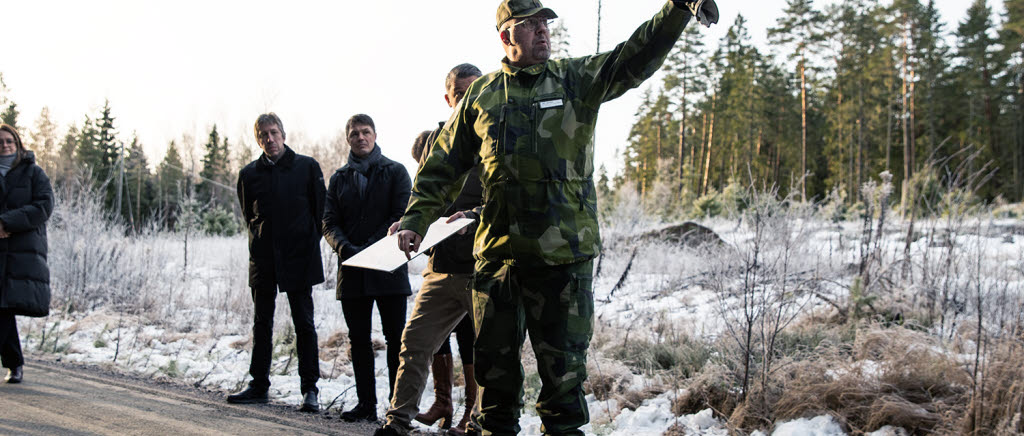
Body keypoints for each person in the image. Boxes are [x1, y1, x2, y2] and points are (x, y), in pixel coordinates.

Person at [395, 0, 718, 433]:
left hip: (564, 262)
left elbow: (633, 57)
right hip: (498, 263)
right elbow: (442, 165)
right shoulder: (482, 94)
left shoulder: (574, 79)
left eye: (545, 23)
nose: (543, 31)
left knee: (563, 395)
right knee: (495, 396)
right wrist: (417, 218)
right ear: (507, 35)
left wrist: (676, 9)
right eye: (530, 25)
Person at [377, 64, 484, 436]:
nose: (469, 99)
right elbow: (425, 193)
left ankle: (477, 424)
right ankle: (397, 422)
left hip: (483, 268)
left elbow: (513, 199)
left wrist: (473, 213)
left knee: (488, 354)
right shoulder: (437, 141)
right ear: (449, 97)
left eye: (476, 90)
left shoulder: (499, 137)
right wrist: (408, 222)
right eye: (461, 92)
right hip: (441, 267)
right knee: (414, 342)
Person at [230, 113, 325, 413]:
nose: (269, 139)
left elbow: (319, 212)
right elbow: (249, 216)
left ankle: (310, 389)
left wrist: (303, 243)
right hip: (263, 260)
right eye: (263, 135)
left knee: (304, 325)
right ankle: (259, 385)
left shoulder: (307, 167)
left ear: (283, 134)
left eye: (273, 133)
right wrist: (261, 243)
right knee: (262, 324)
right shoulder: (249, 174)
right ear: (257, 139)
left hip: (299, 258)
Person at [323, 114, 412, 423]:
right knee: (358, 340)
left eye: (365, 132)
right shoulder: (339, 178)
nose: (360, 137)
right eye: (354, 133)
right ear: (347, 139)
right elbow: (328, 221)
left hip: (388, 267)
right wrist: (346, 248)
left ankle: (395, 408)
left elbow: (402, 214)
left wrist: (372, 247)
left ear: (375, 135)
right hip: (352, 270)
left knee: (395, 340)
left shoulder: (396, 172)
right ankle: (366, 404)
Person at [0, 123, 54, 385]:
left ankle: (14, 364)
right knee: (2, 310)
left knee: (3, 309)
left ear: (18, 143)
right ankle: (15, 364)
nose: (5, 145)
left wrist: (7, 222)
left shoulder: (34, 173)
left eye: (10, 140)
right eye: (0, 141)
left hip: (20, 251)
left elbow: (44, 206)